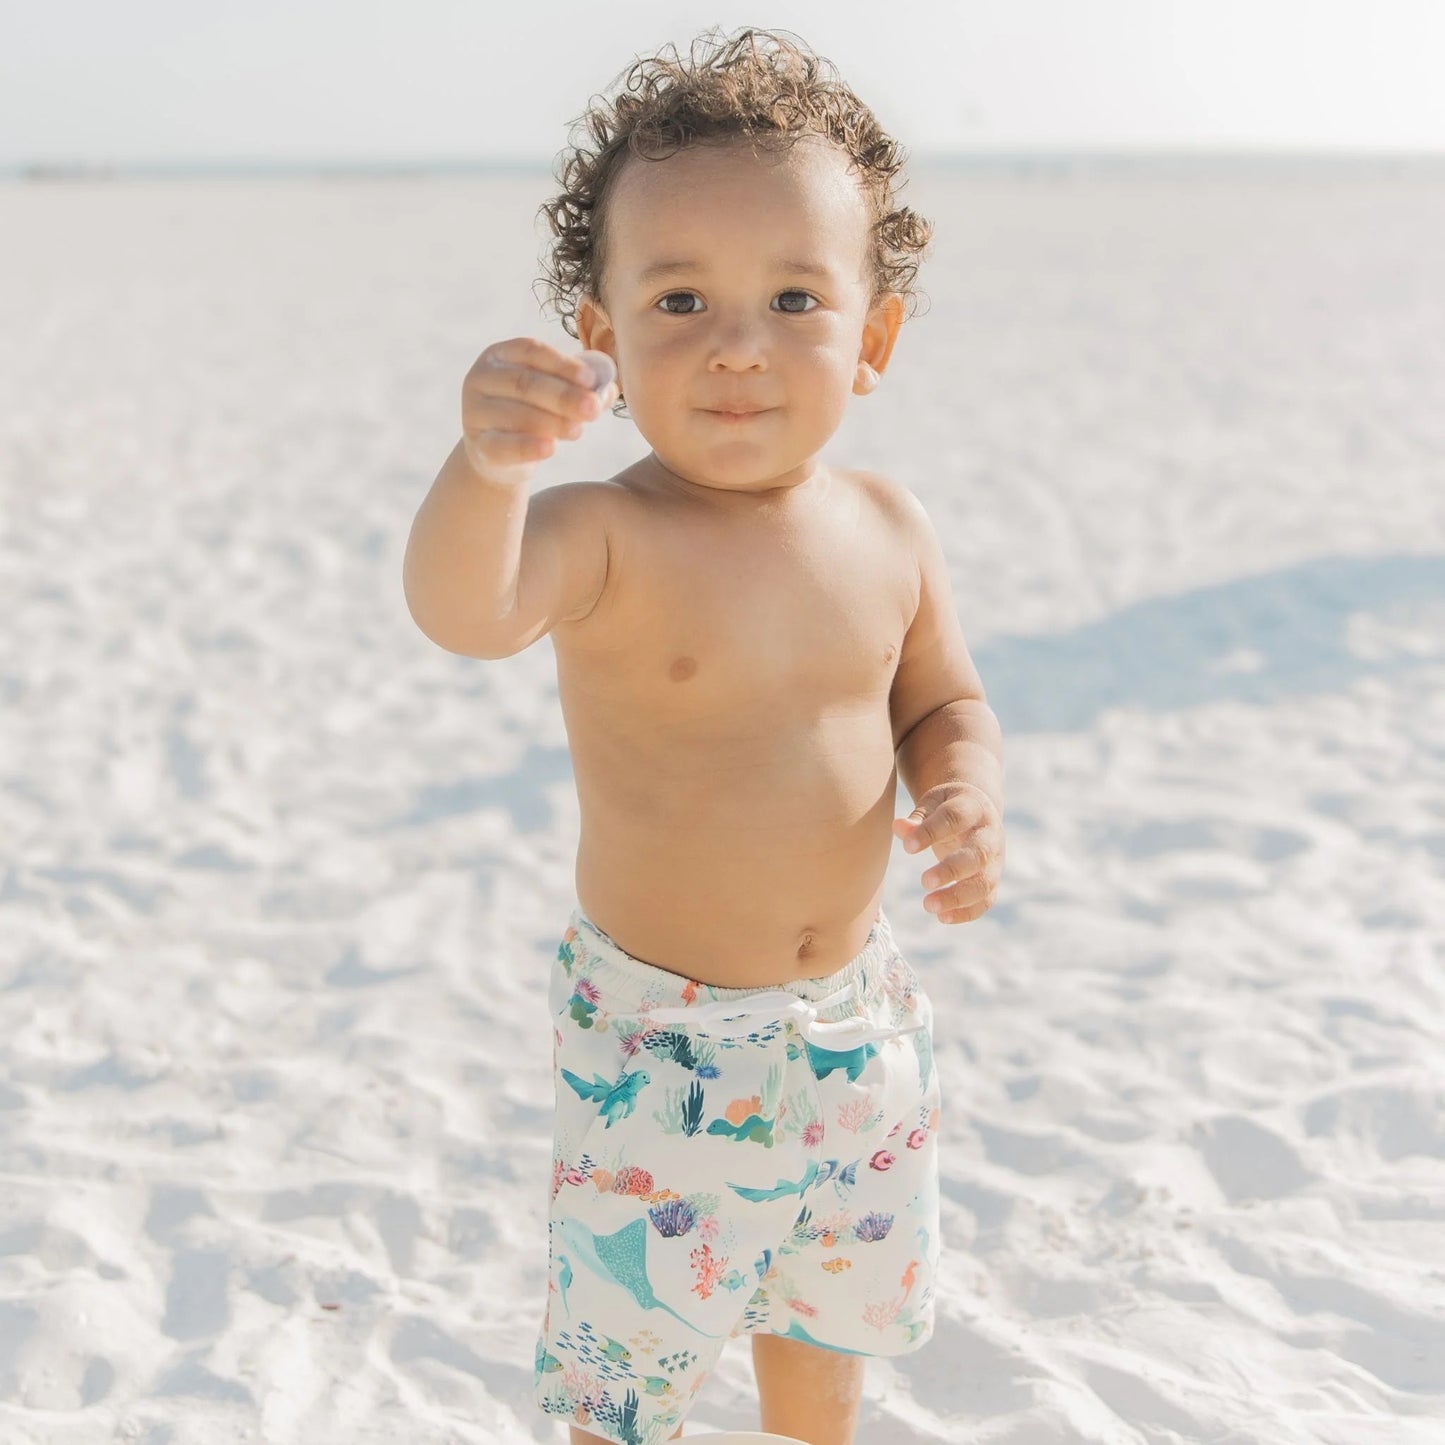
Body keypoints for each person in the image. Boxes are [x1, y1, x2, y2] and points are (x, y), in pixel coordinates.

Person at [402, 26, 1005, 1445]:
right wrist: (485, 467)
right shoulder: (607, 531)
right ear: (599, 337)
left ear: (871, 337)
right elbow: (465, 609)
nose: (735, 343)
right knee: (633, 1353)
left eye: (792, 295)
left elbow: (940, 698)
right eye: (677, 298)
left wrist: (965, 790)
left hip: (858, 1024)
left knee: (823, 1303)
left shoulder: (887, 527)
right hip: (661, 1046)